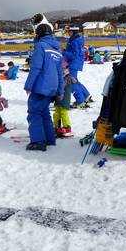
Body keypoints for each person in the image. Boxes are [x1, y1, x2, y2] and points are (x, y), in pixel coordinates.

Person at [24, 13, 64, 151]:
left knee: (34, 113)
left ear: (38, 34)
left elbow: (35, 68)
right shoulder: (57, 50)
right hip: (52, 87)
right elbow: (60, 73)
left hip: (40, 86)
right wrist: (60, 91)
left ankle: (38, 141)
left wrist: (28, 86)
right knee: (44, 112)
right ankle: (49, 139)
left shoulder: (40, 46)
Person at [64, 26, 92, 108]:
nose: (68, 33)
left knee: (72, 81)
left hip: (74, 63)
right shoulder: (76, 39)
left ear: (74, 32)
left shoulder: (75, 41)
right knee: (75, 81)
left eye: (69, 31)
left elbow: (75, 54)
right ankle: (86, 95)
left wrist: (64, 53)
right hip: (75, 63)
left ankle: (80, 101)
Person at [53, 67, 76, 137]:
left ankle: (67, 127)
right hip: (58, 98)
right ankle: (56, 126)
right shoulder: (59, 77)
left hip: (64, 99)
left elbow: (62, 86)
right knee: (57, 112)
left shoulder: (67, 78)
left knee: (63, 112)